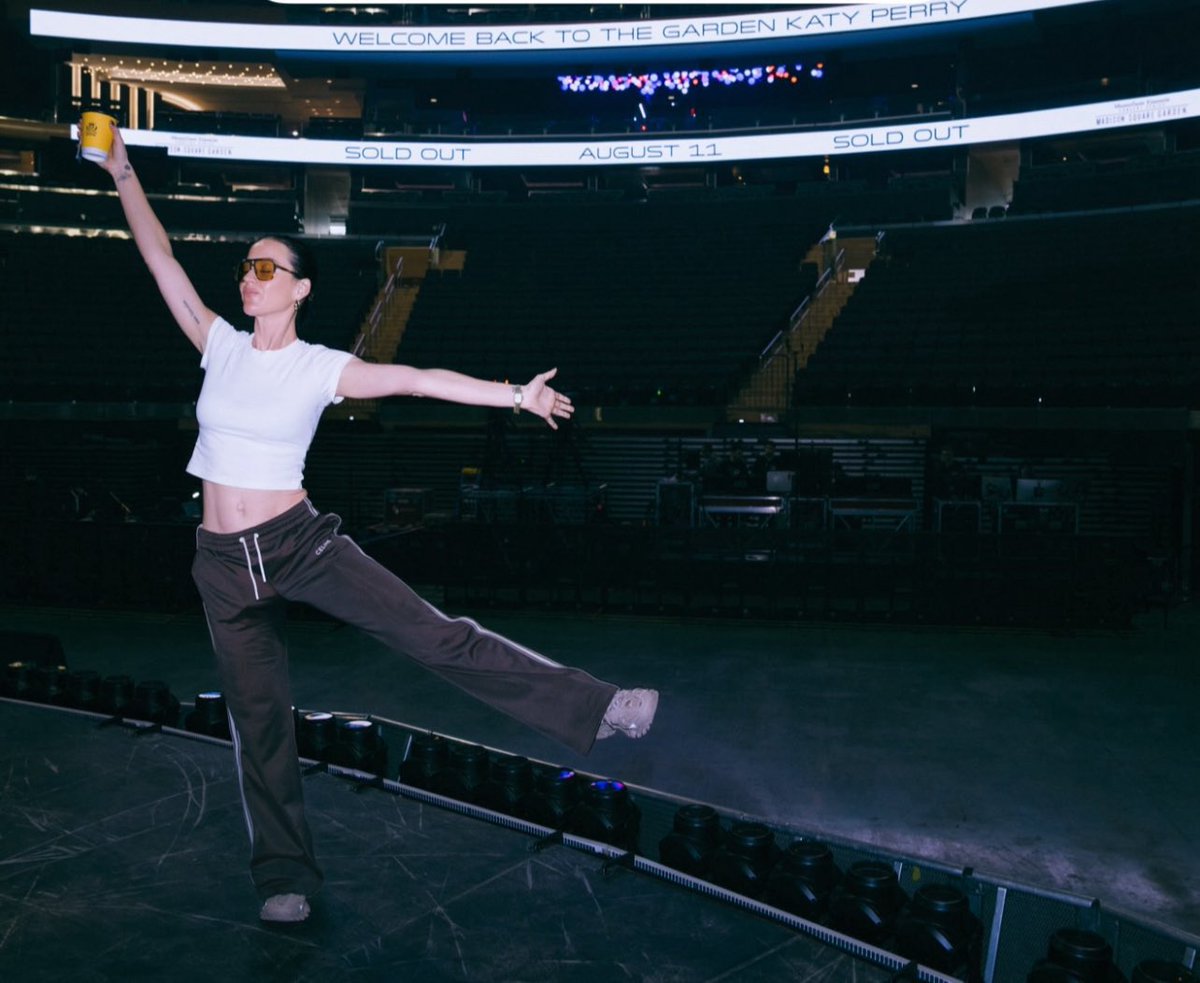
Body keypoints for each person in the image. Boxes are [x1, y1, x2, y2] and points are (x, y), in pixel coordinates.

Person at [88, 122, 658, 924]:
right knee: (258, 722)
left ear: (299, 287)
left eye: (264, 268)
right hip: (220, 561)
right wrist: (122, 174)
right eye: (244, 268)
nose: (248, 280)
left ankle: (596, 706)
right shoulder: (218, 344)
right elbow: (160, 260)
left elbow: (419, 379)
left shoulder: (322, 366)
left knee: (435, 633)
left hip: (300, 544)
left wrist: (515, 395)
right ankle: (284, 875)